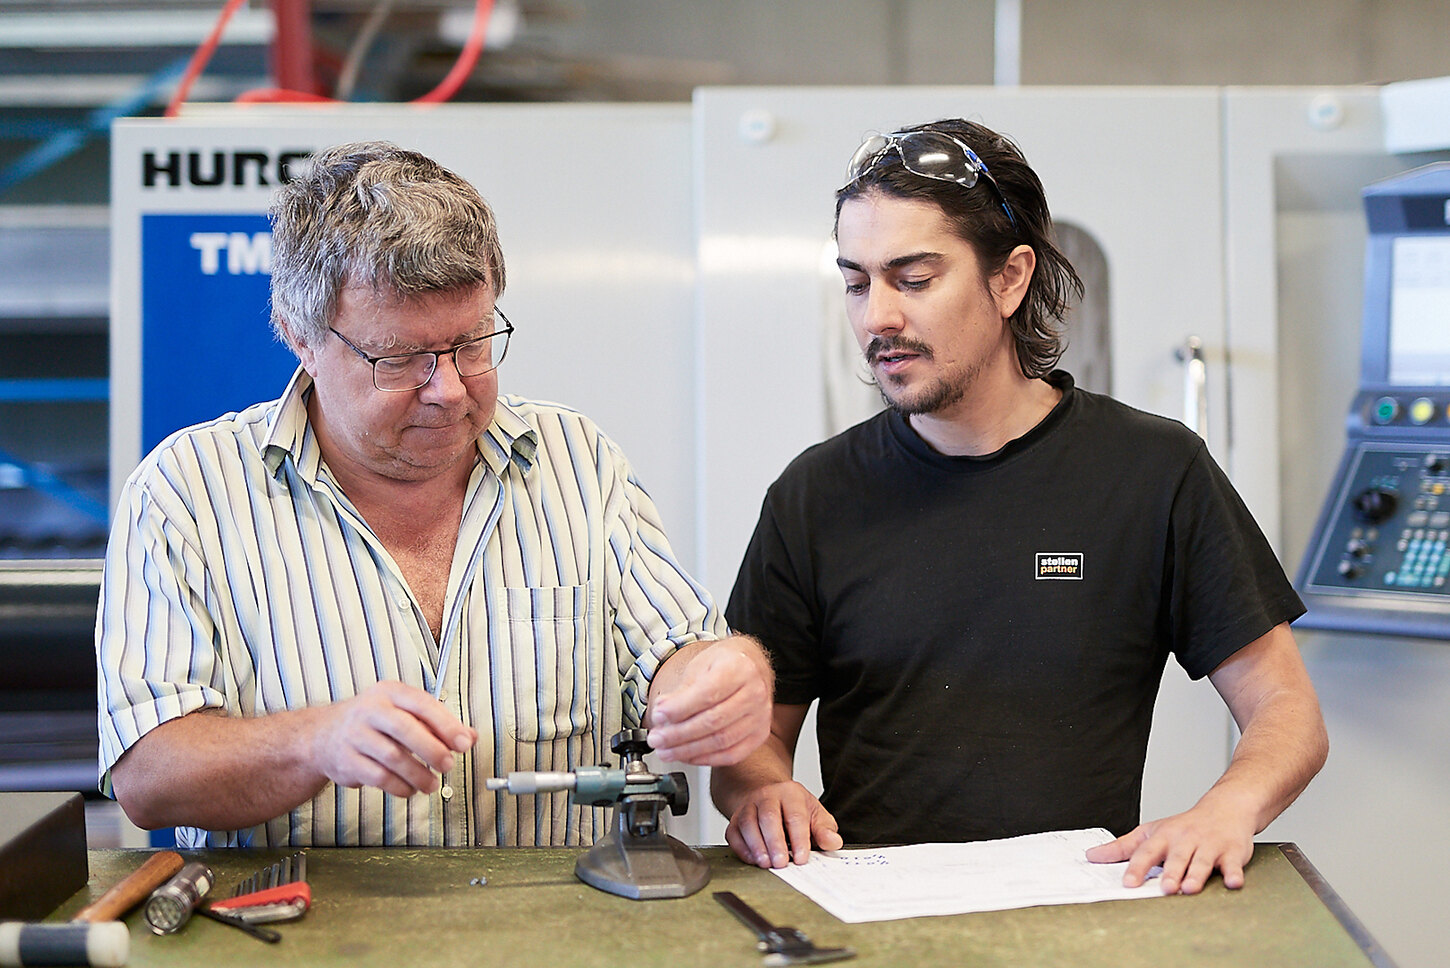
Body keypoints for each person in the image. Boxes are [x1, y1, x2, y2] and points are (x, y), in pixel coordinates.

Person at [710, 119, 1328, 896]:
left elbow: (1287, 708)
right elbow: (753, 740)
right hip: (872, 918)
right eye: (859, 282)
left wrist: (1225, 810)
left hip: (1077, 919)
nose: (877, 318)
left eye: (915, 278)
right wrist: (760, 789)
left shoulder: (1153, 473)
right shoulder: (813, 496)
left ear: (1010, 278)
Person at [96, 141, 771, 848]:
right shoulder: (187, 494)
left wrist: (724, 677)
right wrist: (314, 743)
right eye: (400, 358)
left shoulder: (578, 462)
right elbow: (150, 773)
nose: (448, 390)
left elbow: (676, 653)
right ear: (300, 336)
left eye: (473, 344)